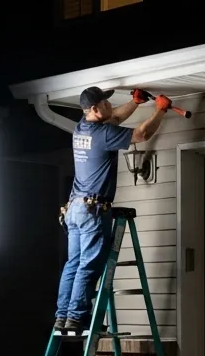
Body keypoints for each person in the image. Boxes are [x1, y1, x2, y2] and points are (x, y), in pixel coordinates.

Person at [55, 86, 173, 331]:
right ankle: (77, 317)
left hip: (75, 208)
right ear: (96, 109)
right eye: (106, 104)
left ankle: (63, 314)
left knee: (73, 264)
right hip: (92, 211)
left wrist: (136, 103)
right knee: (89, 265)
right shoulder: (104, 135)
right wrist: (160, 111)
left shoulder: (81, 127)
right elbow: (141, 134)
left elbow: (115, 117)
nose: (111, 106)